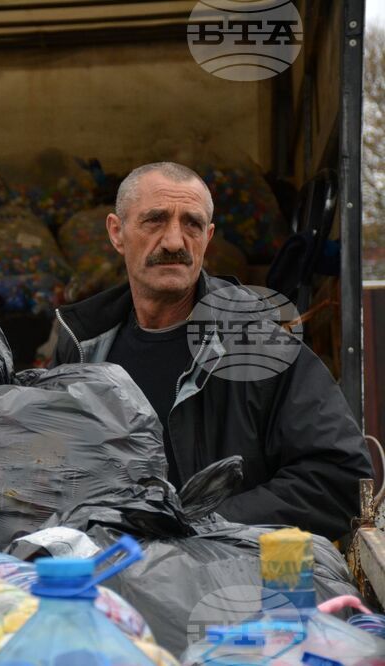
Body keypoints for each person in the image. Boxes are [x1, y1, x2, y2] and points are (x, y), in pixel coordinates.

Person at [44, 161, 371, 540]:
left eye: (192, 225)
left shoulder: (259, 345)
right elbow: (44, 472)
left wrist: (193, 524)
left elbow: (338, 479)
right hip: (106, 575)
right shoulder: (82, 347)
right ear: (117, 232)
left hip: (231, 584)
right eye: (155, 220)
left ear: (208, 236)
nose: (174, 242)